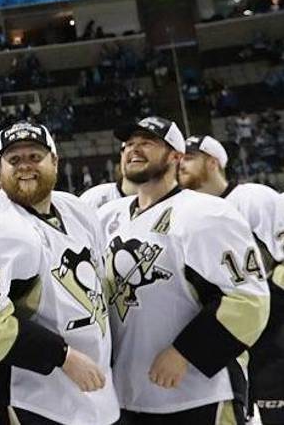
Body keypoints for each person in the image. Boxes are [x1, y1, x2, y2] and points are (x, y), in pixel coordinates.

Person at [102, 118, 269, 425]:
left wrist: (186, 352)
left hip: (200, 393)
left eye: (146, 142)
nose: (133, 149)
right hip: (127, 396)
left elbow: (250, 300)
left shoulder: (206, 213)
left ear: (175, 156)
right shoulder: (106, 218)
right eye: (128, 144)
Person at [0, 122, 118, 425]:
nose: (25, 167)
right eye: (14, 160)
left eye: (34, 157)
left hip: (97, 395)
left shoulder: (77, 210)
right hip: (30, 402)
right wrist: (63, 356)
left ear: (55, 162)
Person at [178, 134, 284, 425]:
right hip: (224, 327)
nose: (180, 164)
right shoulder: (185, 210)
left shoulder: (253, 198)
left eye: (189, 158)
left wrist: (270, 305)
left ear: (212, 162)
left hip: (269, 326)